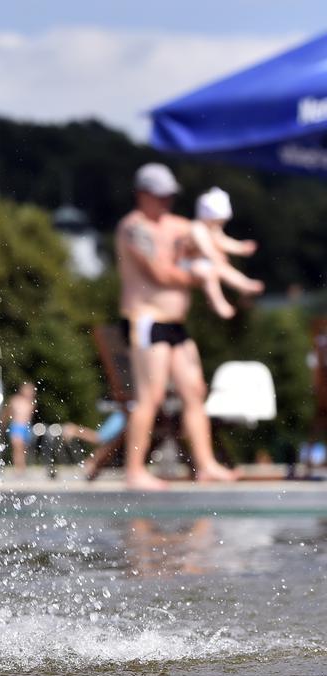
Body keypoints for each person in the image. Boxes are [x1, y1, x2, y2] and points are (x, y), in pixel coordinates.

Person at [116, 163, 240, 490]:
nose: (166, 202)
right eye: (160, 196)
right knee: (151, 395)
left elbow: (207, 242)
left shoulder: (178, 225)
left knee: (194, 390)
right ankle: (135, 471)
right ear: (142, 195)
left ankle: (205, 464)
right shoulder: (134, 228)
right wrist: (199, 275)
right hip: (147, 320)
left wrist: (217, 244)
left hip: (176, 326)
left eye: (170, 196)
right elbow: (160, 274)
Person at [181, 187, 264, 319]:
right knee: (209, 273)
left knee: (222, 268)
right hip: (187, 264)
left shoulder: (213, 229)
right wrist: (215, 256)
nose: (219, 225)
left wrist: (241, 248)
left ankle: (244, 284)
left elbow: (224, 242)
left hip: (205, 263)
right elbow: (205, 246)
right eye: (217, 222)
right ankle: (217, 303)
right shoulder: (197, 228)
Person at [4, 382, 36, 470]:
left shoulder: (31, 403)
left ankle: (21, 466)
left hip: (26, 427)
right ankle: (19, 468)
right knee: (17, 447)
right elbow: (7, 412)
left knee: (22, 449)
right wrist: (4, 423)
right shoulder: (15, 400)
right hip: (16, 426)